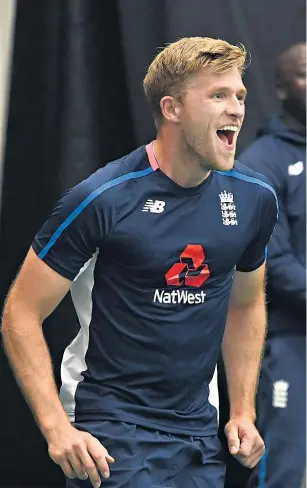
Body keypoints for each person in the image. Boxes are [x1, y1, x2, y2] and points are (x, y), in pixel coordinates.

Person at [1, 37, 278, 488]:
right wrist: (57, 430)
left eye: (240, 96)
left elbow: (246, 304)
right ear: (171, 109)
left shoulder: (254, 198)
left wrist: (243, 411)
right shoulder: (101, 198)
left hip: (198, 432)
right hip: (110, 428)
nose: (237, 109)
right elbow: (20, 314)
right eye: (218, 95)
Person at [239, 43, 306, 488]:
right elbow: (273, 264)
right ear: (281, 89)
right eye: (305, 74)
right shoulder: (261, 164)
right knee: (284, 466)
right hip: (290, 341)